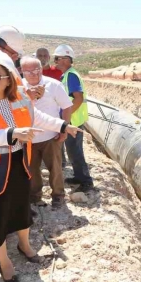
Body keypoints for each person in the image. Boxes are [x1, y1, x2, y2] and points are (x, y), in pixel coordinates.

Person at [0, 51, 78, 282]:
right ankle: (4, 262)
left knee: (21, 207)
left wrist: (63, 125)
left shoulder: (20, 95)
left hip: (18, 162)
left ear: (9, 77)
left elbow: (36, 117)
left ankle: (25, 245)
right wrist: (13, 133)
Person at [20, 56, 73, 209]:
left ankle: (58, 196)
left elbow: (67, 107)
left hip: (51, 136)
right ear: (22, 72)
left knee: (55, 168)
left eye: (36, 70)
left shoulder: (54, 85)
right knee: (32, 170)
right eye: (28, 71)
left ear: (41, 69)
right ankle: (35, 197)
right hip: (28, 138)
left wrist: (64, 128)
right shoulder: (18, 88)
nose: (33, 74)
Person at [53, 45, 93, 192]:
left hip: (73, 121)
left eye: (57, 58)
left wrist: (67, 119)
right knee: (72, 150)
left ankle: (86, 181)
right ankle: (78, 176)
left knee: (75, 151)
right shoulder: (67, 75)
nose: (55, 61)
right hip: (73, 120)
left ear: (66, 59)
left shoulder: (71, 76)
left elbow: (78, 98)